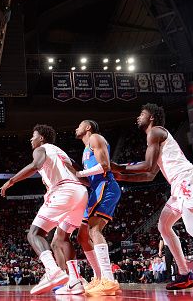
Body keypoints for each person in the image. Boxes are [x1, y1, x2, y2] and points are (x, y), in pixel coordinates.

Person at [111, 103, 193, 294]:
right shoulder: (156, 138)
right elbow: (150, 174)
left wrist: (119, 167)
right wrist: (121, 176)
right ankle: (184, 274)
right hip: (178, 186)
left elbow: (147, 165)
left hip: (186, 180)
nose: (138, 116)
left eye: (142, 113)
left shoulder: (155, 131)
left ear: (151, 117)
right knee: (163, 225)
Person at [0, 124, 88, 295]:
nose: (31, 139)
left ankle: (52, 271)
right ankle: (75, 281)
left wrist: (10, 181)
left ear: (41, 138)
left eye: (33, 136)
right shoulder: (61, 152)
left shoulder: (41, 149)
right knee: (63, 239)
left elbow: (35, 165)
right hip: (80, 192)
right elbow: (80, 174)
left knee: (34, 233)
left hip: (64, 191)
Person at [74, 120, 121, 295]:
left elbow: (105, 166)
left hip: (106, 186)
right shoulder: (86, 149)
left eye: (80, 125)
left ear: (88, 127)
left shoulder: (95, 138)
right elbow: (90, 176)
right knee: (83, 235)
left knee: (94, 230)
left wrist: (80, 173)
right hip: (96, 188)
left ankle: (108, 279)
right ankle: (99, 276)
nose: (76, 128)